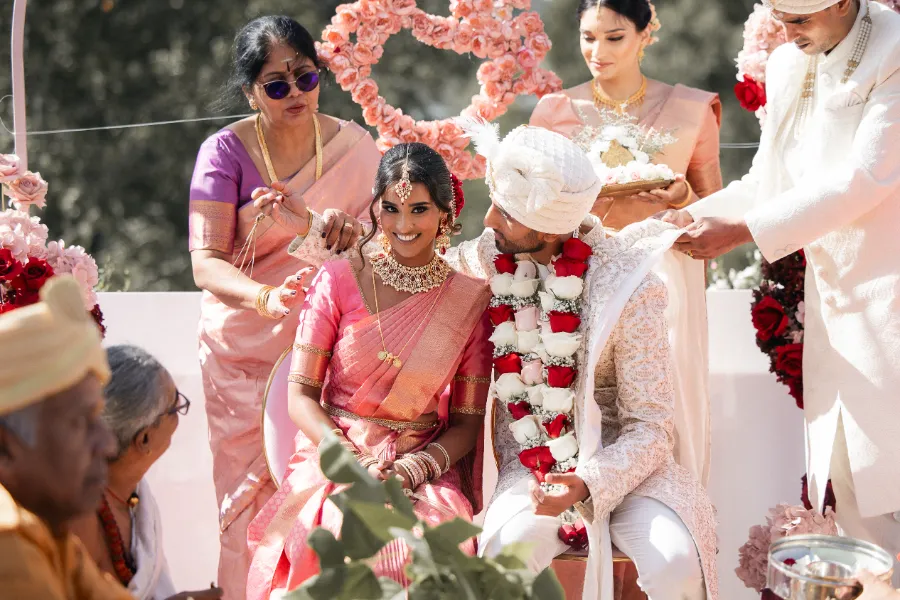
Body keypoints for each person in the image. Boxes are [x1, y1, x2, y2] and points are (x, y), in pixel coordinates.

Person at [267, 124, 718, 599]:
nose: (487, 221)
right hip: (532, 469)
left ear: (546, 226)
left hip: (626, 475)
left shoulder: (632, 287)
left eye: (505, 212)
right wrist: (312, 228)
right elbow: (405, 254)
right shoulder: (494, 257)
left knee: (677, 566)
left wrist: (586, 482)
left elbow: (650, 426)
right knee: (503, 562)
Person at [657, 0, 900, 581]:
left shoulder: (895, 54)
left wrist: (744, 231)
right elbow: (768, 180)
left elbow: (866, 177)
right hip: (838, 324)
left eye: (800, 21)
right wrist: (692, 218)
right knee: (858, 503)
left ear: (844, 2)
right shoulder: (790, 63)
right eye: (781, 19)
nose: (786, 35)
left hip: (891, 307)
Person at [245, 143, 492, 598]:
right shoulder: (339, 278)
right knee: (342, 528)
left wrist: (412, 470)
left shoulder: (469, 301)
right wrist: (354, 465)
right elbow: (301, 398)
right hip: (335, 458)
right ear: (375, 205)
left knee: (427, 549)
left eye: (419, 209)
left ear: (445, 214)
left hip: (420, 469)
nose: (402, 225)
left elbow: (466, 425)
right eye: (391, 208)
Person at [188, 15, 381, 595]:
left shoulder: (356, 146)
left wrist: (352, 239)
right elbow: (205, 262)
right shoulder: (224, 153)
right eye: (276, 85)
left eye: (306, 77)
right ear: (251, 91)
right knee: (248, 503)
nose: (295, 93)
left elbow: (388, 248)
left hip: (336, 352)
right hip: (244, 352)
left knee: (327, 499)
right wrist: (265, 296)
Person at [529, 0, 722, 486]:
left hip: (665, 282)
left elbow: (716, 211)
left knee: (660, 409)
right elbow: (527, 211)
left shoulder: (689, 109)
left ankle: (675, 510)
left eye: (614, 37)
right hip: (577, 282)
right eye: (588, 36)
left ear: (645, 33)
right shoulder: (553, 113)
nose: (598, 50)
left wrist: (683, 195)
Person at [0, 276, 130, 599]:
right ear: (4, 447)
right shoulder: (10, 543)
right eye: (80, 423)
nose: (109, 444)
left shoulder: (47, 532)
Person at [69, 345, 223, 600]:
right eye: (175, 408)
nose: (181, 411)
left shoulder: (135, 494)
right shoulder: (78, 520)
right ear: (144, 439)